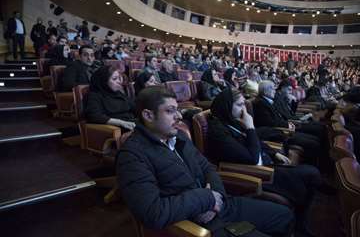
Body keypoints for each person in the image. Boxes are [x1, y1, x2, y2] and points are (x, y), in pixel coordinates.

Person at [117, 86, 294, 237]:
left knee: (284, 216)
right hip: (193, 222)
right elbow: (152, 212)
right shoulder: (132, 155)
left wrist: (215, 198)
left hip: (220, 205)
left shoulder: (179, 136)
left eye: (177, 109)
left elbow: (207, 167)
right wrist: (206, 199)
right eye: (170, 111)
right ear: (148, 115)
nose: (178, 116)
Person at [208, 89, 322, 236]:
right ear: (226, 106)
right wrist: (250, 127)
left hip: (266, 164)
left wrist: (274, 152)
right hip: (257, 173)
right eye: (239, 105)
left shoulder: (232, 122)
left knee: (309, 174)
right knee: (310, 174)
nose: (243, 109)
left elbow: (255, 141)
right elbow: (251, 158)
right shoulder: (218, 131)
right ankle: (300, 226)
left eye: (244, 104)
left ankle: (301, 222)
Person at [252, 81, 323, 166]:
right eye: (272, 88)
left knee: (316, 138)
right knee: (314, 143)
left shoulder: (268, 101)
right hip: (280, 134)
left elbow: (284, 115)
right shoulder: (260, 103)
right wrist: (288, 125)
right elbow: (269, 123)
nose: (274, 90)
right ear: (265, 91)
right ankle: (312, 167)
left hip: (285, 129)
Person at [85, 65, 136, 131]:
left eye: (118, 78)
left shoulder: (118, 93)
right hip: (116, 128)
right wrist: (121, 123)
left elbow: (134, 107)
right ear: (104, 81)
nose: (119, 81)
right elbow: (94, 116)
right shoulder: (94, 95)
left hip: (131, 123)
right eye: (114, 79)